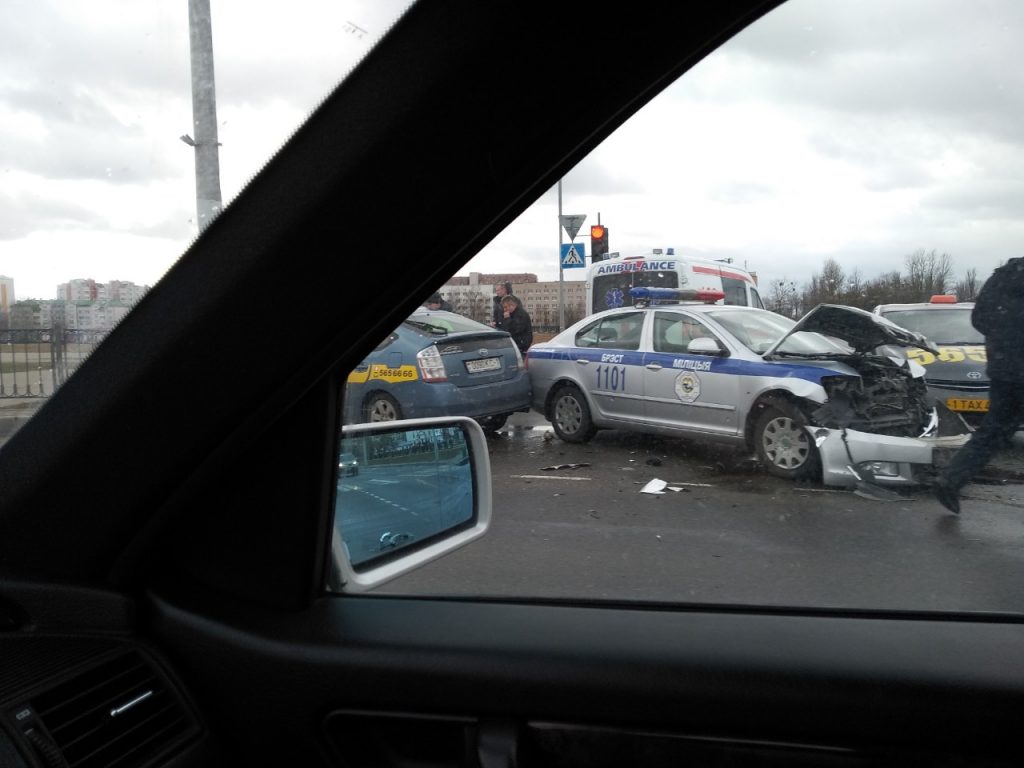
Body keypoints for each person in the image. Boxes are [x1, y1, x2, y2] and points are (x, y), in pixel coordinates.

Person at [934, 257, 1024, 514]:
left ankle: (950, 479)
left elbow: (979, 319)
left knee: (992, 432)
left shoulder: (1002, 277)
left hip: (1003, 367)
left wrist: (1004, 339)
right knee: (994, 431)